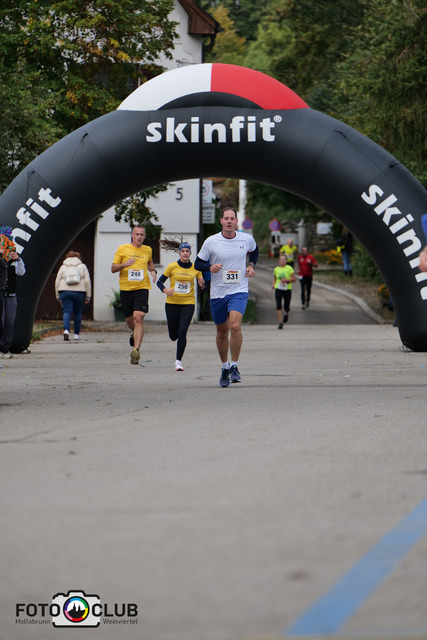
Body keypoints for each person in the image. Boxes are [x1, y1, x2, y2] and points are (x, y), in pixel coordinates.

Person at [194, 207, 258, 387]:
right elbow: (198, 263)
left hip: (239, 289)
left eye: (232, 218)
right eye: (226, 218)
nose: (229, 221)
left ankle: (234, 366)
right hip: (218, 293)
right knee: (222, 332)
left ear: (236, 221)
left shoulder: (246, 239)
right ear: (221, 221)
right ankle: (224, 367)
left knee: (235, 326)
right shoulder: (211, 241)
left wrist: (251, 265)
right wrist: (209, 267)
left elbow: (255, 251)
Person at [111, 225, 157, 365]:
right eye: (137, 234)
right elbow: (113, 268)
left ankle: (136, 351)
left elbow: (149, 261)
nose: (139, 237)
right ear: (132, 235)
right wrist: (125, 264)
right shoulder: (122, 249)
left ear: (144, 236)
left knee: (139, 317)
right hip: (126, 289)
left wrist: (153, 271)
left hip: (142, 288)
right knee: (130, 322)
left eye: (142, 234)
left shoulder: (147, 249)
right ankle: (134, 333)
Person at [156, 239, 204, 371]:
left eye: (187, 251)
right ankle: (176, 337)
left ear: (190, 253)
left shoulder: (196, 268)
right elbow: (159, 282)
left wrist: (202, 284)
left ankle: (178, 361)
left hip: (188, 303)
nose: (185, 253)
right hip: (172, 303)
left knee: (183, 331)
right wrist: (166, 291)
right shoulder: (172, 266)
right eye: (183, 251)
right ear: (179, 253)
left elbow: (202, 284)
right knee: (173, 336)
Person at [55, 251, 91, 341]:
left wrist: (58, 295)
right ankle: (76, 334)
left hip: (65, 291)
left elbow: (57, 281)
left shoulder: (63, 267)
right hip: (79, 292)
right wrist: (88, 296)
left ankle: (66, 330)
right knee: (78, 313)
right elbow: (87, 281)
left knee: (67, 312)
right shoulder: (82, 266)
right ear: (79, 258)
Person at [0, 237, 26, 358]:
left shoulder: (12, 261)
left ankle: (6, 348)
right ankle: (1, 348)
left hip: (10, 294)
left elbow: (21, 272)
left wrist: (18, 259)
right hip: (1, 294)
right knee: (1, 322)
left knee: (9, 323)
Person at [272, 253, 296, 329]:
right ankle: (280, 322)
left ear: (286, 261)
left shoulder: (289, 268)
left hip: (287, 289)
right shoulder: (276, 269)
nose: (282, 261)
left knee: (286, 306)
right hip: (278, 288)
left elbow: (294, 279)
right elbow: (275, 278)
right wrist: (273, 285)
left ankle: (286, 313)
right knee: (278, 305)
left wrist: (287, 280)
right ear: (279, 260)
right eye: (281, 259)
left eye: (284, 259)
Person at [297, 246, 318, 310]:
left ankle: (308, 300)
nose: (304, 252)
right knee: (303, 289)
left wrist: (311, 263)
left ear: (307, 251)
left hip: (309, 276)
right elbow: (298, 264)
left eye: (305, 250)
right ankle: (303, 304)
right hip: (302, 275)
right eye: (303, 250)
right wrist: (298, 270)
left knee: (308, 290)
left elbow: (316, 265)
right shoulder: (300, 257)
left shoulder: (310, 257)